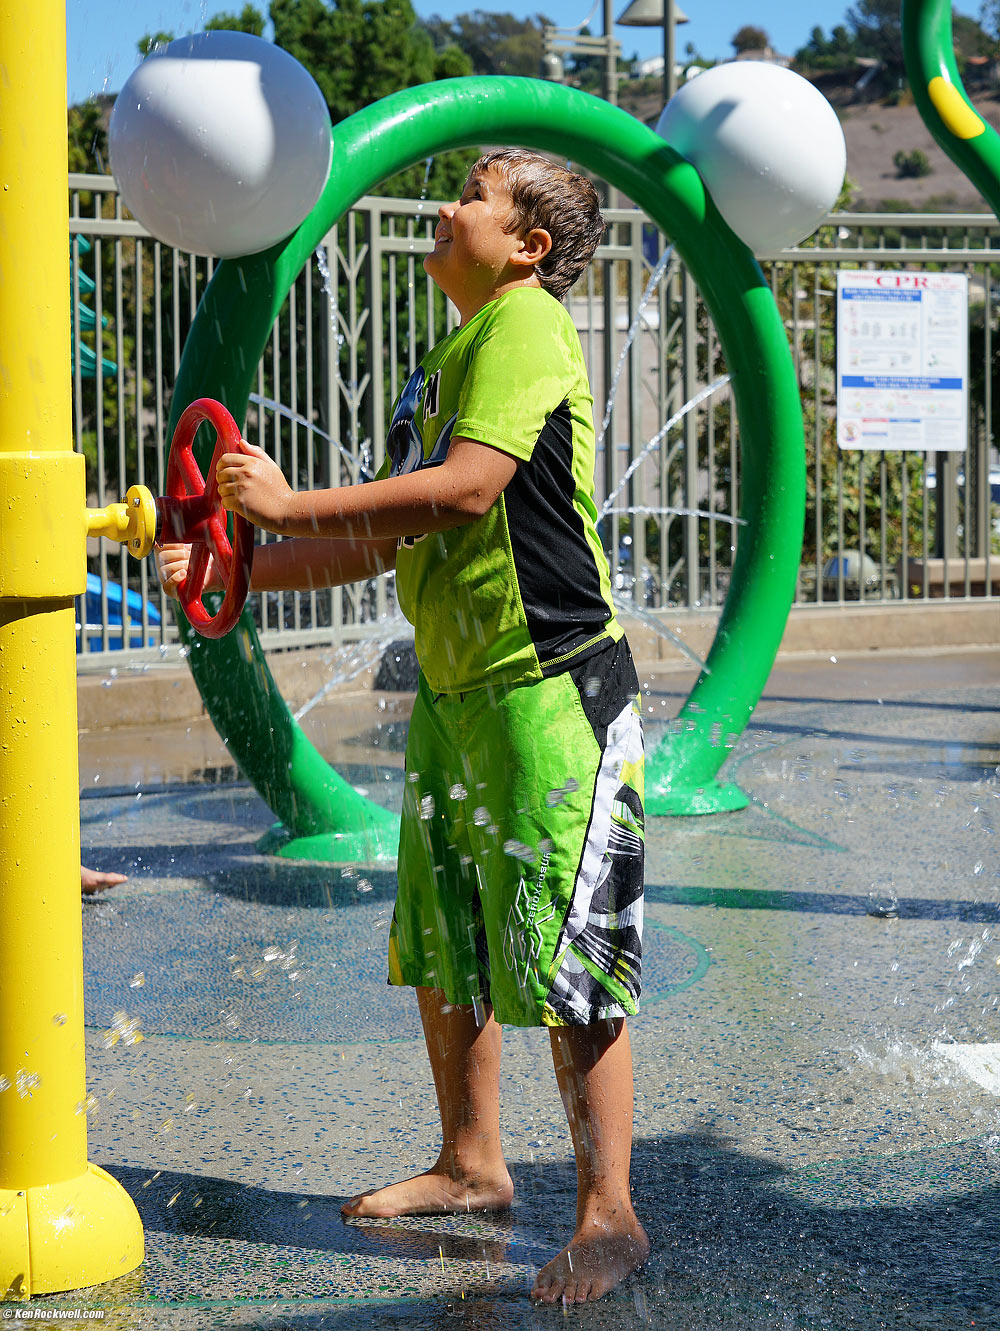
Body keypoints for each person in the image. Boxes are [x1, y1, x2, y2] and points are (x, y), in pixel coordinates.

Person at [158, 149, 648, 1305]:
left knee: (573, 956)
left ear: (528, 245)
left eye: (473, 195)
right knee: (452, 939)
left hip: (551, 688)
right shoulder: (443, 360)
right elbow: (389, 538)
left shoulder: (525, 326)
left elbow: (467, 489)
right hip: (460, 696)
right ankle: (472, 1164)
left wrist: (280, 501)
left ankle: (608, 1212)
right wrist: (240, 562)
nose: (445, 206)